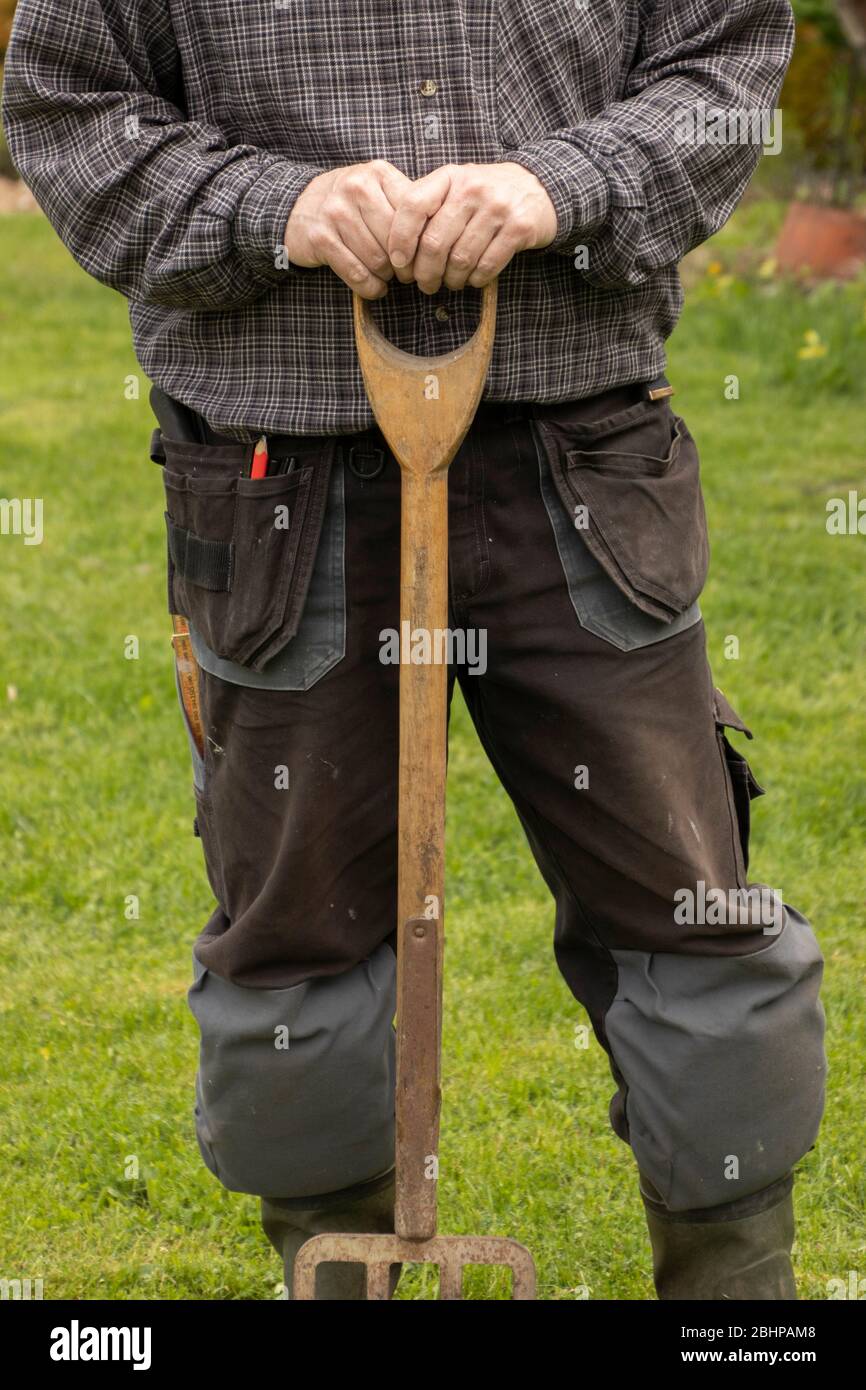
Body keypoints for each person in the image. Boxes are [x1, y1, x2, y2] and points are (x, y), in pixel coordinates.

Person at [3, 0, 825, 1301]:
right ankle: (342, 1281)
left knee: (688, 912)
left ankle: (734, 1311)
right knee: (295, 933)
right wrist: (270, 207)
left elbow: (723, 67)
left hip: (584, 458)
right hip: (280, 477)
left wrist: (556, 185)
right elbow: (68, 109)